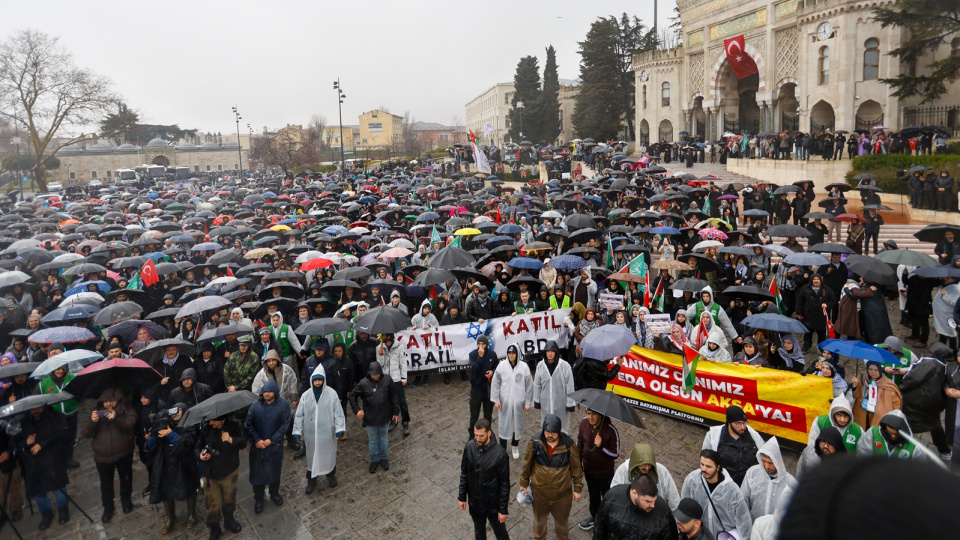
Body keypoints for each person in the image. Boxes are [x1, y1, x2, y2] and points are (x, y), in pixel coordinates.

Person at [518, 414, 584, 540]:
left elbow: (576, 469)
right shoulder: (535, 442)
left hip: (562, 496)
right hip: (539, 494)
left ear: (559, 432)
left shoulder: (569, 445)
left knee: (562, 525)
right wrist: (523, 483)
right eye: (548, 432)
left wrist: (578, 489)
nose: (550, 435)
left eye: (553, 433)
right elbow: (527, 464)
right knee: (539, 523)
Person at [80, 387, 137, 523]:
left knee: (126, 478)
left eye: (110, 401)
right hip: (102, 457)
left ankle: (126, 500)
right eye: (104, 402)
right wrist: (93, 422)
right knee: (106, 484)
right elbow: (85, 433)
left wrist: (115, 419)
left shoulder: (126, 410)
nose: (107, 404)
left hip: (124, 452)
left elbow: (130, 423)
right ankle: (108, 507)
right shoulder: (98, 413)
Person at [144, 403, 199, 534]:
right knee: (165, 489)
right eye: (173, 411)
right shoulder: (164, 422)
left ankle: (192, 515)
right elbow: (149, 447)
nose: (176, 413)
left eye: (179, 411)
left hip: (184, 463)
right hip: (165, 462)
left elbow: (187, 443)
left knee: (189, 488)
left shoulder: (189, 424)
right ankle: (170, 517)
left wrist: (170, 433)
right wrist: (154, 434)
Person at [293, 365, 345, 494]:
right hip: (311, 434)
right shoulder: (306, 396)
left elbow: (338, 412)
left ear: (324, 380)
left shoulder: (331, 394)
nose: (317, 382)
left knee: (328, 455)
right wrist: (297, 431)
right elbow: (299, 414)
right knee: (312, 456)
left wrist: (340, 428)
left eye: (320, 380)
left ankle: (330, 474)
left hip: (327, 433)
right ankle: (312, 479)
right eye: (315, 380)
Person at [19, 403, 71, 531]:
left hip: (52, 459)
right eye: (33, 408)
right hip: (33, 463)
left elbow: (61, 434)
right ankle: (46, 513)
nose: (36, 411)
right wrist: (26, 442)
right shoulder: (23, 423)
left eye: (39, 407)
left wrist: (42, 444)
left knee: (58, 486)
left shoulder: (55, 416)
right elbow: (15, 443)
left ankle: (63, 509)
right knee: (38, 491)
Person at [680, 450, 752, 540]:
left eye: (708, 466)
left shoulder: (732, 490)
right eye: (702, 464)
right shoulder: (692, 480)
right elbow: (684, 508)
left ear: (718, 467)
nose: (704, 469)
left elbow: (743, 520)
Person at [195, 413, 247, 539]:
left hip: (230, 471)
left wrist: (231, 440)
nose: (210, 422)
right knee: (212, 503)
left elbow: (244, 442)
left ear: (222, 419)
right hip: (211, 474)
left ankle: (229, 521)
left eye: (213, 420)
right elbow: (197, 447)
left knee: (229, 498)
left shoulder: (234, 425)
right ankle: (215, 528)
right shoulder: (206, 428)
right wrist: (200, 455)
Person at [458, 418, 511, 540]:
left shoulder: (500, 454)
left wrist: (503, 510)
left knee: (501, 534)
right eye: (475, 435)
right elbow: (464, 472)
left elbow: (504, 484)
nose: (477, 439)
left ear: (489, 433)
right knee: (479, 532)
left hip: (493, 505)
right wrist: (462, 496)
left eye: (481, 436)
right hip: (475, 503)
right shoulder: (469, 447)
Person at [245, 379, 292, 514]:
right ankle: (259, 498)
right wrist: (257, 440)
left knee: (274, 472)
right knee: (257, 474)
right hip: (258, 448)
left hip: (274, 448)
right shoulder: (255, 406)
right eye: (264, 391)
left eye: (269, 391)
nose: (266, 394)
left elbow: (285, 425)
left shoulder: (283, 406)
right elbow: (248, 425)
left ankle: (274, 493)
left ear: (275, 392)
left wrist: (271, 440)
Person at [899, 342, 951, 459]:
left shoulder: (928, 362)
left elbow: (914, 378)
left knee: (907, 423)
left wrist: (901, 387)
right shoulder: (942, 365)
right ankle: (945, 451)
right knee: (935, 426)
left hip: (917, 401)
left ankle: (901, 447)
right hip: (933, 404)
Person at [592, 474, 679, 540]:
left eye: (654, 500)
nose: (653, 505)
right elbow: (600, 527)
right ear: (634, 493)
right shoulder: (612, 497)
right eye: (647, 501)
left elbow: (670, 535)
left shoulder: (662, 509)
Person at [349, 362, 400, 474]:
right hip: (370, 417)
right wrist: (357, 410)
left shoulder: (387, 380)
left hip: (385, 416)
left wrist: (396, 412)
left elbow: (394, 395)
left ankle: (383, 458)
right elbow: (353, 396)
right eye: (373, 374)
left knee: (383, 438)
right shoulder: (363, 383)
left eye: (377, 374)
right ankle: (373, 460)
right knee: (372, 441)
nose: (376, 376)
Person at [576, 408, 620, 531]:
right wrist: (578, 465)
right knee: (593, 495)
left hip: (605, 473)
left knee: (607, 497)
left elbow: (615, 453)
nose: (590, 417)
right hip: (589, 470)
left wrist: (601, 447)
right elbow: (580, 442)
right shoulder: (583, 423)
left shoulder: (611, 431)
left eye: (593, 414)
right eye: (588, 414)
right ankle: (594, 517)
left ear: (600, 414)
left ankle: (607, 521)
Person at [701, 405, 765, 486]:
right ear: (729, 423)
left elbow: (764, 458)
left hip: (748, 485)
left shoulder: (754, 436)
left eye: (744, 423)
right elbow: (706, 460)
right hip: (723, 485)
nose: (742, 427)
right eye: (738, 423)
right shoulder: (713, 436)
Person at [739, 437, 797, 522]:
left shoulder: (791, 483)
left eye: (770, 463)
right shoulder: (752, 473)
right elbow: (743, 501)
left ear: (779, 461)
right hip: (754, 525)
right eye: (763, 461)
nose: (766, 466)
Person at [490, 343, 533, 458]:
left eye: (513, 353)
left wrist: (528, 402)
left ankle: (515, 446)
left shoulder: (524, 367)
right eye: (509, 353)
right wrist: (496, 399)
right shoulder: (501, 366)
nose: (511, 355)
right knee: (504, 425)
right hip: (505, 403)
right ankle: (502, 448)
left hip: (519, 403)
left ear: (517, 354)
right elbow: (495, 382)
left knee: (517, 425)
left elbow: (529, 385)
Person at [611, 443, 681, 512]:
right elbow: (615, 494)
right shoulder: (623, 471)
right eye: (643, 464)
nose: (647, 468)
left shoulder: (662, 471)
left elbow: (673, 498)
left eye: (649, 464)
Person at [38, 357, 80, 469]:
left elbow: (81, 393)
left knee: (70, 437)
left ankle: (69, 458)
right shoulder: (43, 384)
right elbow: (38, 400)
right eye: (57, 369)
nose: (60, 371)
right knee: (57, 438)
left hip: (71, 413)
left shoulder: (73, 377)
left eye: (63, 368)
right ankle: (59, 459)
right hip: (54, 417)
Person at [533, 341, 576, 434]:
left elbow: (570, 386)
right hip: (545, 403)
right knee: (547, 426)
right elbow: (537, 385)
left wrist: (570, 404)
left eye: (552, 351)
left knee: (561, 427)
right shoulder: (540, 366)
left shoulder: (565, 366)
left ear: (556, 352)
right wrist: (537, 401)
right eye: (548, 351)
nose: (550, 353)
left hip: (561, 403)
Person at [855, 409, 925, 460]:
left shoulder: (915, 447)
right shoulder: (873, 433)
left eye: (896, 434)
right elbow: (863, 455)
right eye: (890, 433)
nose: (893, 436)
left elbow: (919, 469)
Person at [377, 332, 410, 436]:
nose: (381, 337)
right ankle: (393, 419)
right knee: (388, 401)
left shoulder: (399, 346)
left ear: (389, 336)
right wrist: (381, 355)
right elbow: (379, 365)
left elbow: (403, 363)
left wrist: (404, 377)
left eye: (383, 335)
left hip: (396, 379)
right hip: (385, 379)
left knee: (401, 401)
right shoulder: (379, 347)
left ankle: (405, 421)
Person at [852, 361, 902, 429]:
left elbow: (896, 404)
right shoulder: (862, 379)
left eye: (876, 370)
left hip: (878, 415)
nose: (873, 373)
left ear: (880, 370)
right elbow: (856, 396)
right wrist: (854, 386)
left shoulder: (888, 384)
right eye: (870, 369)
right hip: (862, 414)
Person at [795, 274, 837, 353]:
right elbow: (800, 301)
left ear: (821, 280)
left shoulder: (827, 290)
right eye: (814, 279)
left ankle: (822, 349)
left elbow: (833, 301)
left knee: (822, 335)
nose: (816, 281)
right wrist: (799, 313)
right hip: (808, 316)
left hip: (821, 317)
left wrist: (827, 305)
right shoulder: (805, 289)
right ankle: (806, 346)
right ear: (811, 280)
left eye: (818, 279)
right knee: (807, 333)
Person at [468, 335, 498, 438]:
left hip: (488, 388)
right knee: (474, 416)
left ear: (486, 344)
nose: (481, 346)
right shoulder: (473, 354)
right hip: (476, 389)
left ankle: (487, 434)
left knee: (488, 415)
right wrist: (480, 357)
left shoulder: (492, 354)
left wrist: (492, 372)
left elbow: (496, 366)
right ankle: (472, 435)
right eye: (479, 344)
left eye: (483, 344)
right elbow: (475, 368)